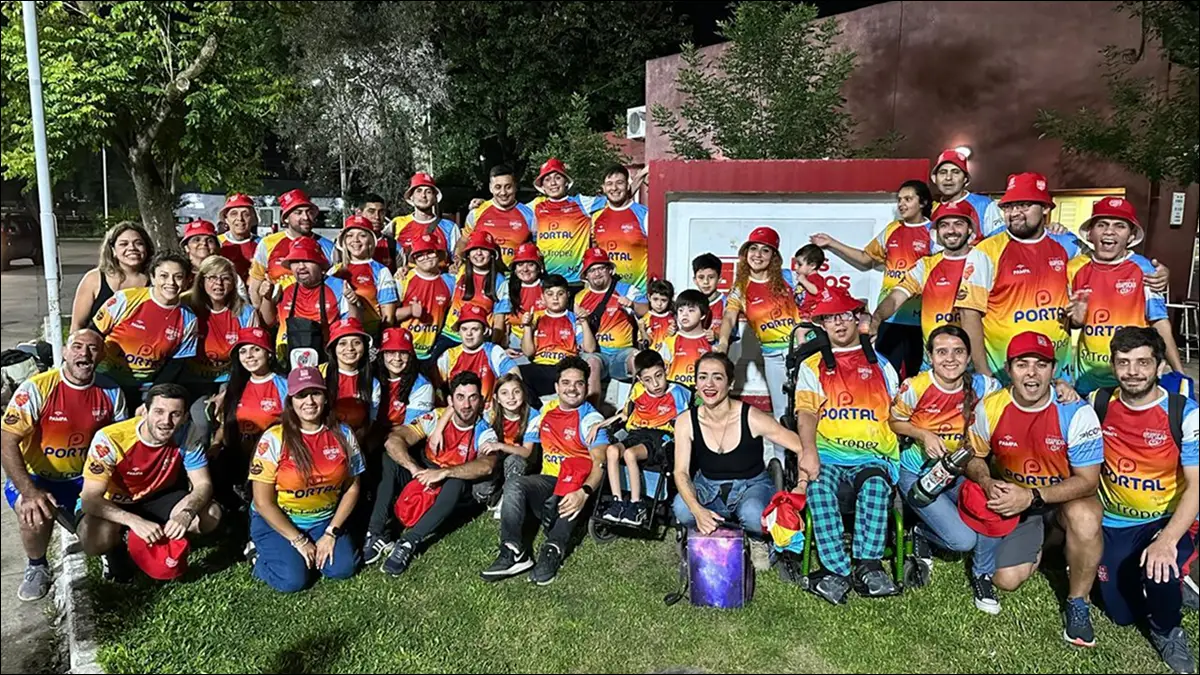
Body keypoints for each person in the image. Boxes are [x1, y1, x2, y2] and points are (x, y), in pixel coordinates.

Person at [964, 331, 1104, 647]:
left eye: (1041, 365)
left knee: (1085, 518)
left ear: (1053, 370)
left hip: (1063, 500)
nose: (1032, 373)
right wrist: (987, 482)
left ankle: (1078, 603)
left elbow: (1088, 481)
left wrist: (1034, 495)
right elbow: (973, 456)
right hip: (1019, 502)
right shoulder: (991, 407)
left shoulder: (1076, 411)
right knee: (1006, 579)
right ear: (1009, 369)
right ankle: (1050, 547)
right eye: (1022, 364)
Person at [1092, 327, 1198, 673]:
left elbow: (1197, 485)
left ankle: (1168, 630)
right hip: (1115, 521)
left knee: (1160, 568)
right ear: (1113, 365)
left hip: (1164, 520)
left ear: (1159, 367)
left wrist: (1167, 540)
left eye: (1142, 362)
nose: (1133, 371)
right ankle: (1168, 586)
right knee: (1120, 615)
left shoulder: (1184, 412)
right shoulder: (1098, 403)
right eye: (1124, 362)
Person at [793, 286, 903, 603]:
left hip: (872, 456)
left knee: (875, 489)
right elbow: (807, 413)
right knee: (819, 488)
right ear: (823, 325)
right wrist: (809, 452)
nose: (839, 324)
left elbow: (898, 411)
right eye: (830, 318)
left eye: (844, 316)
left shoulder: (883, 366)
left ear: (857, 318)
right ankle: (836, 570)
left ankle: (868, 566)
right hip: (829, 454)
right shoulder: (811, 366)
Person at [1, 330, 126, 601]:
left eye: (92, 349)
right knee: (31, 510)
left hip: (84, 479)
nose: (84, 353)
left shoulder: (112, 391)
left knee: (100, 535)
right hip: (38, 476)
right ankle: (37, 566)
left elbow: (118, 446)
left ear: (101, 357)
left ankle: (111, 549)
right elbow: (6, 441)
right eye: (77, 347)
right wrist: (29, 491)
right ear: (66, 353)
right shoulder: (36, 388)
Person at [888, 325, 1003, 613]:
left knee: (993, 509)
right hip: (918, 474)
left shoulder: (984, 386)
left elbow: (1019, 393)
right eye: (941, 352)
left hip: (960, 472)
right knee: (963, 540)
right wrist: (923, 435)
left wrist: (1062, 390)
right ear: (930, 356)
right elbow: (893, 422)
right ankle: (921, 534)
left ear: (968, 357)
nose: (950, 359)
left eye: (958, 352)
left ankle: (982, 575)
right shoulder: (916, 386)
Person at [673, 352, 817, 571]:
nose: (709, 384)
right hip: (708, 485)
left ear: (730, 384)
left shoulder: (751, 417)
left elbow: (800, 446)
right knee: (682, 508)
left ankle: (756, 538)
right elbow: (680, 472)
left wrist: (801, 485)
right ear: (696, 382)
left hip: (751, 485)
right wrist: (697, 509)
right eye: (702, 377)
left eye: (717, 377)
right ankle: (705, 529)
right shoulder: (686, 421)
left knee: (752, 514)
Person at [480, 357, 609, 585]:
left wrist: (584, 492)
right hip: (550, 480)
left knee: (570, 494)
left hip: (579, 483)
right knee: (515, 484)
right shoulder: (545, 412)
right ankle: (513, 551)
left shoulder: (590, 419)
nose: (572, 388)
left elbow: (600, 462)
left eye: (579, 383)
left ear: (586, 387)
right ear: (556, 387)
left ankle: (553, 548)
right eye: (566, 383)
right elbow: (525, 443)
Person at [77, 383, 223, 582]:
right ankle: (116, 547)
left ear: (185, 417)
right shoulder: (110, 439)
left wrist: (186, 514)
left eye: (175, 414)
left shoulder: (189, 433)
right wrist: (133, 521)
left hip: (158, 496)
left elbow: (203, 484)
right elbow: (90, 499)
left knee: (211, 514)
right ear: (144, 412)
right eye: (159, 412)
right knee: (92, 540)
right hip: (116, 499)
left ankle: (170, 540)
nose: (166, 421)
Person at [248, 367, 363, 593]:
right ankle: (256, 556)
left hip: (323, 521)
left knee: (343, 569)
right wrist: (299, 541)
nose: (309, 401)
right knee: (293, 581)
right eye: (301, 395)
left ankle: (303, 553)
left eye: (315, 393)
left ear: (325, 398)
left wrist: (331, 533)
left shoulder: (344, 433)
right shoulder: (274, 438)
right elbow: (262, 502)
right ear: (290, 401)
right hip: (280, 520)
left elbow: (352, 488)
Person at [375, 372, 501, 576]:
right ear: (451, 401)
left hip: (451, 487)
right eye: (460, 397)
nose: (466, 405)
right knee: (389, 459)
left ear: (480, 401)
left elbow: (487, 465)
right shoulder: (436, 417)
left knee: (457, 481)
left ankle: (409, 542)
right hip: (425, 471)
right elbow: (394, 440)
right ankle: (376, 530)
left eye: (473, 397)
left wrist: (444, 472)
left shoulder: (484, 430)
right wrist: (413, 468)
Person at [955, 173, 1076, 383]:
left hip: (1059, 378)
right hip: (1003, 375)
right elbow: (969, 314)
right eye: (1009, 207)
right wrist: (984, 374)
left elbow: (1107, 266)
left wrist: (1152, 276)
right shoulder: (986, 251)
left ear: (1046, 208)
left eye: (1024, 206)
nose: (1015, 213)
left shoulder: (1069, 246)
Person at [811, 180, 934, 379]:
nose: (902, 204)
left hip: (921, 320)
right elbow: (865, 258)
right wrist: (832, 243)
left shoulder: (934, 232)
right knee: (884, 374)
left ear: (923, 203)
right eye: (900, 200)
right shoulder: (892, 230)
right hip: (888, 317)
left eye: (908, 199)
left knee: (918, 379)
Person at [1068, 197, 1185, 395]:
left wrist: (1179, 372)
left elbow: (1159, 321)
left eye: (1119, 226)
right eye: (1102, 225)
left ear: (1131, 236)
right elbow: (1071, 322)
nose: (1109, 231)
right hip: (1088, 378)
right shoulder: (1074, 268)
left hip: (1133, 377)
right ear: (1090, 233)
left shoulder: (1145, 269)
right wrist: (1076, 321)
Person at [715, 226, 801, 467]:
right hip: (773, 355)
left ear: (774, 257)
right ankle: (782, 466)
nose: (758, 254)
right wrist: (723, 344)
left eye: (766, 250)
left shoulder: (789, 277)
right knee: (781, 411)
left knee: (807, 410)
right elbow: (729, 318)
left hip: (805, 353)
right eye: (753, 248)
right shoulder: (741, 287)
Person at [360, 327, 436, 564]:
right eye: (390, 352)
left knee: (388, 458)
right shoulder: (370, 378)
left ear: (411, 355)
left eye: (403, 353)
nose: (396, 358)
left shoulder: (421, 385)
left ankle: (377, 531)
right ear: (381, 355)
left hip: (404, 450)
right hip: (372, 439)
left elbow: (407, 434)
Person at [869, 200, 976, 366]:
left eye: (958, 224)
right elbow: (895, 298)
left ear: (969, 229)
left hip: (974, 362)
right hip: (933, 364)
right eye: (945, 225)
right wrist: (876, 319)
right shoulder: (925, 265)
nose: (951, 231)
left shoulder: (985, 260)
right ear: (937, 231)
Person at [92, 251, 199, 404]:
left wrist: (153, 397)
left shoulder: (189, 319)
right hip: (106, 380)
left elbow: (176, 364)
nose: (171, 282)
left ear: (187, 281)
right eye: (164, 276)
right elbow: (93, 334)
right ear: (153, 277)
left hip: (146, 388)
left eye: (178, 276)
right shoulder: (125, 299)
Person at [599, 350, 691, 526]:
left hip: (659, 437)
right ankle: (617, 502)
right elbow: (626, 415)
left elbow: (684, 422)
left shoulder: (677, 392)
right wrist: (600, 424)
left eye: (659, 376)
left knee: (630, 454)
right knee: (611, 450)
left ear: (666, 371)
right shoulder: (638, 390)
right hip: (637, 432)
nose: (655, 384)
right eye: (648, 380)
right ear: (641, 380)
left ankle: (636, 504)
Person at [181, 255, 261, 455]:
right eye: (212, 278)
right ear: (202, 281)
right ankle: (195, 469)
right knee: (201, 423)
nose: (219, 284)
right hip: (192, 378)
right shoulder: (186, 305)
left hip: (231, 377)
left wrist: (227, 393)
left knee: (233, 420)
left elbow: (253, 356)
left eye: (225, 278)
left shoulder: (245, 312)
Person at [211, 327, 288, 509]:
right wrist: (215, 444)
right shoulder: (235, 386)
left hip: (272, 457)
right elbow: (225, 424)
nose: (249, 356)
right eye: (243, 351)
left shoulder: (284, 385)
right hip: (238, 454)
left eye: (256, 349)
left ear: (268, 354)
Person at [267, 237, 361, 367]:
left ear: (320, 264)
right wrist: (266, 299)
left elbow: (351, 326)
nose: (301, 266)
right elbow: (268, 321)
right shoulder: (284, 287)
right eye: (295, 261)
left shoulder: (339, 287)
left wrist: (353, 303)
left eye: (306, 261)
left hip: (326, 362)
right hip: (287, 362)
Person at [519, 274, 600, 399]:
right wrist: (527, 327)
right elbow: (528, 352)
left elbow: (590, 349)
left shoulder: (573, 318)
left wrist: (584, 322)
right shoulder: (535, 317)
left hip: (564, 368)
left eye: (560, 294)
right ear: (542, 297)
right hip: (541, 366)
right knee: (515, 374)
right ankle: (537, 410)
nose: (555, 298)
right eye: (550, 294)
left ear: (567, 295)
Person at [575, 247, 648, 384]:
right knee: (591, 362)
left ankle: (640, 403)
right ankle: (591, 405)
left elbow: (646, 311)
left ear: (610, 270)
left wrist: (632, 305)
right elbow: (587, 348)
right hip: (597, 356)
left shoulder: (627, 290)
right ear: (586, 276)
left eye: (601, 268)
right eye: (591, 270)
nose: (597, 273)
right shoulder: (579, 299)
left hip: (622, 354)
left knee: (636, 358)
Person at [529, 158, 606, 285]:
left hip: (576, 280)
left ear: (566, 181)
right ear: (542, 186)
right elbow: (510, 210)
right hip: (546, 280)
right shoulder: (536, 205)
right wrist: (484, 203)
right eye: (547, 180)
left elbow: (617, 196)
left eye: (558, 177)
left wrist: (641, 176)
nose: (553, 183)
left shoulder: (581, 202)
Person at [248, 189, 337, 294]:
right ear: (285, 218)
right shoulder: (267, 243)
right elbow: (255, 286)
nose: (305, 217)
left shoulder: (329, 247)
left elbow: (335, 287)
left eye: (309, 212)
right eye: (298, 213)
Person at [70, 222, 154, 333]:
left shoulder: (156, 281)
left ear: (146, 248)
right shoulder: (94, 279)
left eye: (138, 243)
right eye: (124, 244)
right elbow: (77, 325)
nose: (132, 248)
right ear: (113, 250)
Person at [438, 230, 510, 355]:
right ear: (468, 254)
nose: (479, 253)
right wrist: (404, 270)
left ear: (492, 254)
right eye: (474, 249)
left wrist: (492, 347)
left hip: (479, 340)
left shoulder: (500, 281)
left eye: (484, 249)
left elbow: (499, 319)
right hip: (450, 335)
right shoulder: (459, 271)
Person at [437, 303, 520, 402]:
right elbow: (437, 387)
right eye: (464, 329)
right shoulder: (449, 355)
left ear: (484, 331)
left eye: (475, 329)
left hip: (487, 412)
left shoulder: (493, 351)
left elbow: (514, 375)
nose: (469, 334)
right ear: (459, 331)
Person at [332, 215, 399, 337]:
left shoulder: (381, 271)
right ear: (343, 241)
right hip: (339, 338)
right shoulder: (334, 271)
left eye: (362, 235)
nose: (355, 240)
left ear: (371, 240)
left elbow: (388, 316)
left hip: (369, 336)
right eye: (350, 235)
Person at [590, 165, 651, 298]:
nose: (614, 188)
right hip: (607, 296)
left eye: (619, 183)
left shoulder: (644, 214)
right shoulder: (596, 218)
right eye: (609, 184)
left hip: (638, 295)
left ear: (628, 186)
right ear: (603, 188)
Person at [460, 165, 536, 268]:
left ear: (515, 187)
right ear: (491, 188)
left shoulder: (529, 214)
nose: (503, 192)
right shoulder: (477, 212)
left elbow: (538, 246)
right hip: (485, 275)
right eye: (498, 187)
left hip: (516, 277)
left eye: (508, 187)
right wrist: (458, 259)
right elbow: (464, 240)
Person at [396, 233, 456, 365]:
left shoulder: (451, 282)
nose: (425, 257)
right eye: (420, 255)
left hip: (432, 352)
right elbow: (388, 316)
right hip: (404, 350)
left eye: (430, 252)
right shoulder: (403, 279)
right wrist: (410, 310)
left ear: (438, 253)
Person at [319, 318, 382, 440]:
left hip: (358, 440)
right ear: (333, 348)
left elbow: (370, 421)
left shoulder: (372, 382)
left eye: (356, 343)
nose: (350, 348)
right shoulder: (320, 374)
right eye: (343, 343)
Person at [928, 148, 1004, 240]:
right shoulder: (931, 209)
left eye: (955, 172)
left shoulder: (984, 205)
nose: (948, 177)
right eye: (943, 172)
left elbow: (999, 243)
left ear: (965, 179)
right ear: (935, 179)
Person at [391, 173, 459, 269]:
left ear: (435, 198)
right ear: (411, 197)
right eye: (419, 191)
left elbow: (457, 260)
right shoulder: (397, 223)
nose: (423, 195)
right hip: (407, 281)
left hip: (439, 280)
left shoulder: (450, 227)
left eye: (428, 192)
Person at [660, 290, 715, 388]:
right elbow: (660, 368)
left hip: (701, 394)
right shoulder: (671, 339)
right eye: (681, 310)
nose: (684, 314)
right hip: (676, 394)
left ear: (703, 315)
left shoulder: (710, 340)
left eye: (691, 310)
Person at [505, 242, 546, 361]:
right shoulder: (507, 287)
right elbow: (504, 319)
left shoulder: (548, 287)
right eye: (520, 264)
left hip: (544, 338)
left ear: (539, 268)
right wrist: (503, 346)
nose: (525, 269)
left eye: (530, 264)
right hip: (516, 340)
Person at [217, 193, 260, 282]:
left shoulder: (262, 244)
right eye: (234, 214)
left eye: (245, 214)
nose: (240, 218)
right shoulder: (217, 243)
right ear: (226, 219)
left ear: (253, 218)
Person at [356, 193, 399, 270]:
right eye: (371, 211)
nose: (377, 217)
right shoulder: (347, 244)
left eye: (381, 212)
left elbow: (403, 275)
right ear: (359, 213)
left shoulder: (393, 245)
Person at [692, 253, 728, 333]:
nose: (706, 282)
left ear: (719, 279)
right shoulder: (690, 302)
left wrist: (716, 335)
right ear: (695, 280)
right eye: (701, 277)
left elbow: (733, 333)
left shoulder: (727, 303)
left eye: (711, 277)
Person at [639, 279, 676, 352]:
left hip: (671, 359)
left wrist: (674, 332)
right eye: (655, 299)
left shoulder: (674, 317)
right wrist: (642, 330)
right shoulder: (646, 319)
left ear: (670, 300)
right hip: (653, 357)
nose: (659, 304)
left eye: (663, 300)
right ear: (649, 297)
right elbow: (646, 344)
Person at [791, 244, 826, 321]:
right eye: (795, 263)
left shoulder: (816, 278)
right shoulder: (805, 278)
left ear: (812, 265)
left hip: (810, 316)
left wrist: (804, 281)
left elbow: (816, 291)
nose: (795, 267)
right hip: (799, 314)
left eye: (799, 264)